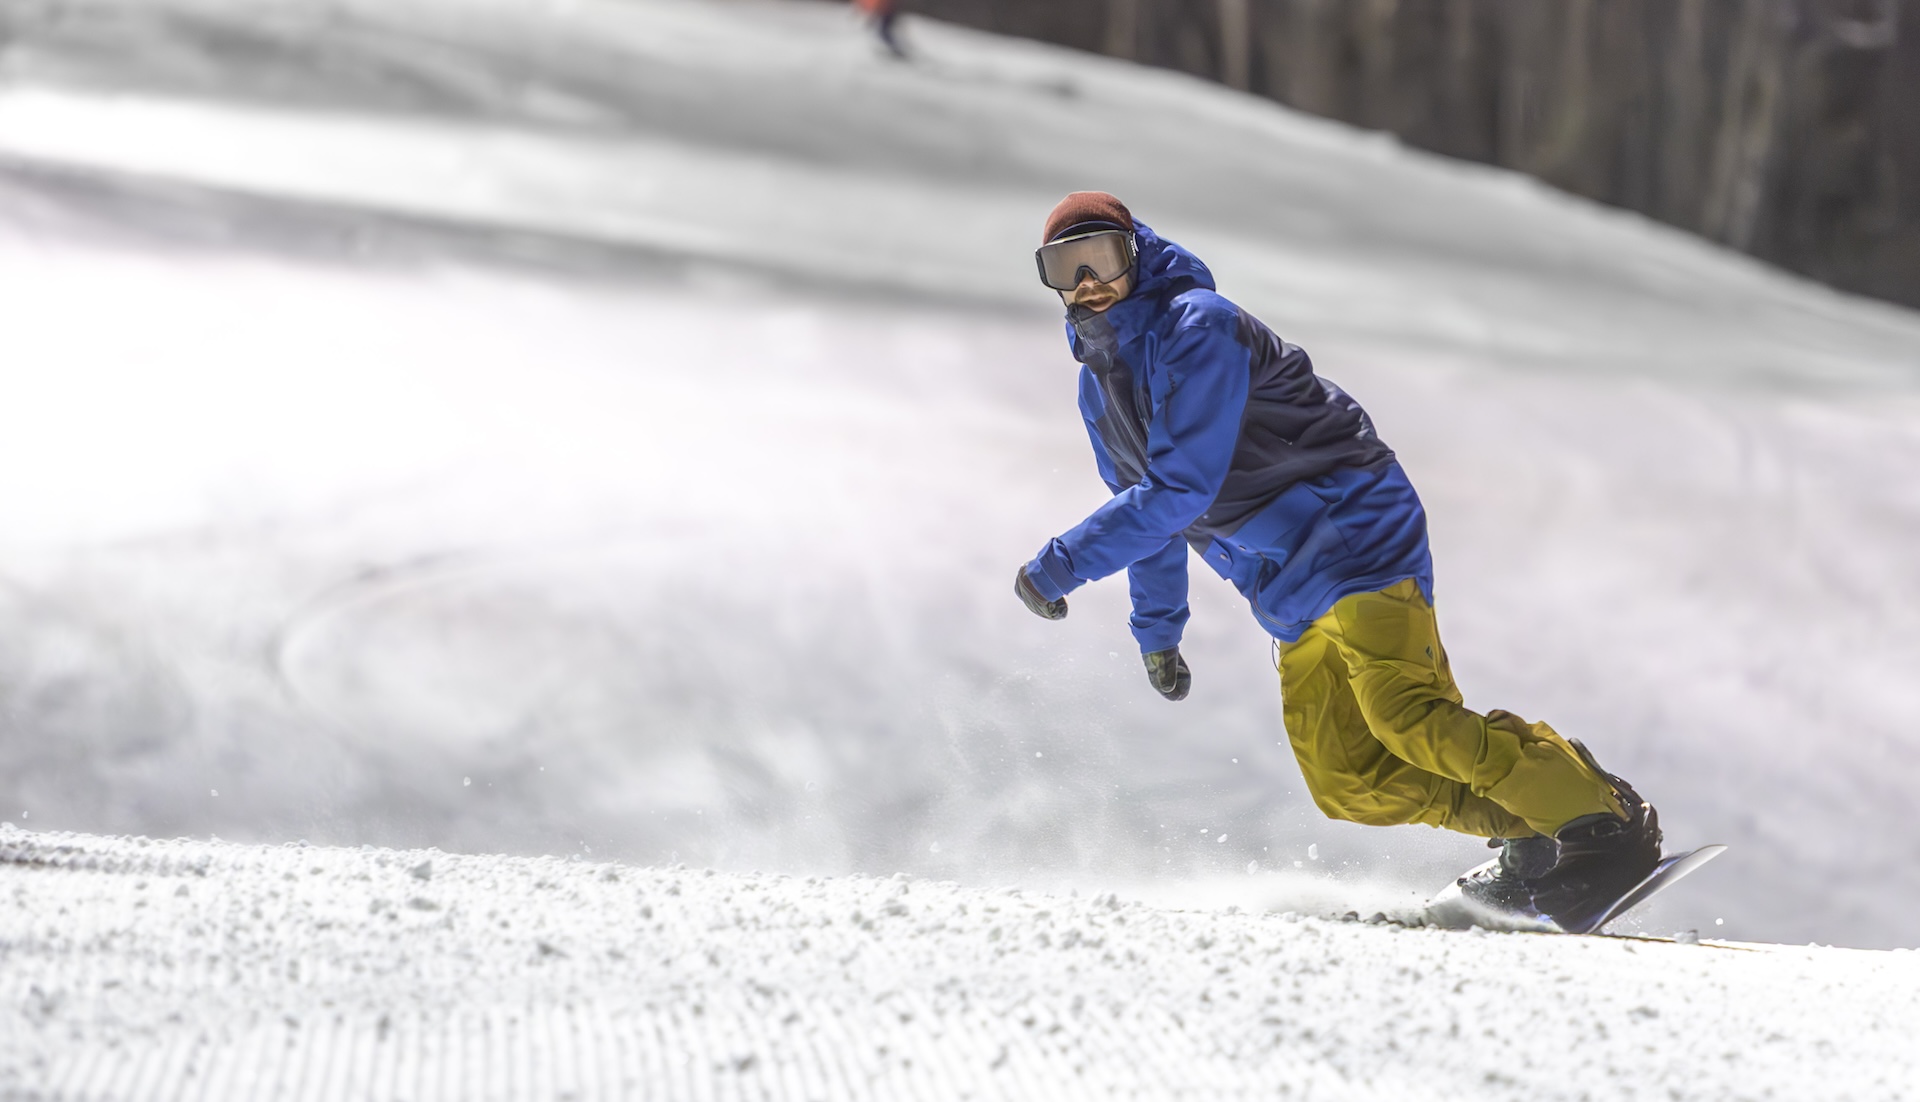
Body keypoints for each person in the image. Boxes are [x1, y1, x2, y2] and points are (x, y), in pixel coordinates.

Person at [1014, 191, 1662, 933]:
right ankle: (1537, 834)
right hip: (1284, 580)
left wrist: (1060, 565)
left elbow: (1180, 489)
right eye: (1065, 267)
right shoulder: (1098, 388)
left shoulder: (1199, 326)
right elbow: (1151, 519)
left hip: (1352, 527)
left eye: (1102, 257)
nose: (1088, 282)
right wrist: (1157, 632)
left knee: (1406, 715)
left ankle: (1600, 820)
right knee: (1348, 778)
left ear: (1137, 254)